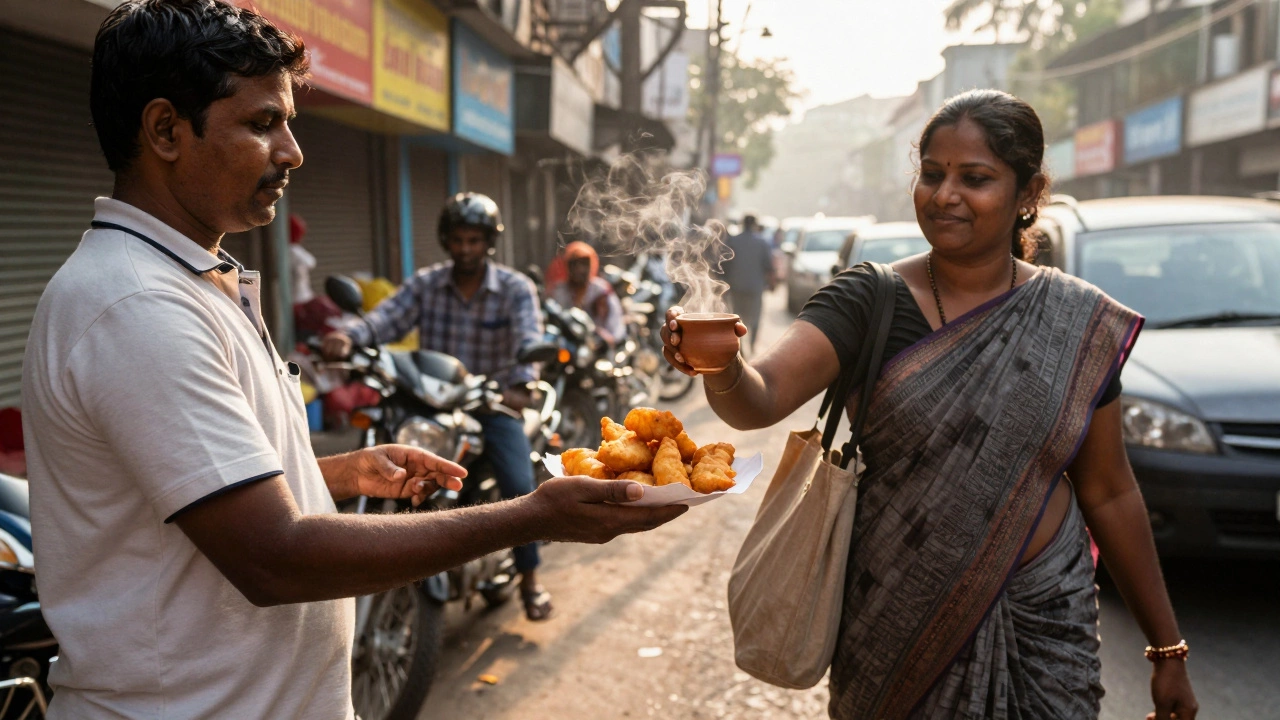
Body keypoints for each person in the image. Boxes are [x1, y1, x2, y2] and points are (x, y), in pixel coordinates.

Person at [21, 2, 684, 718]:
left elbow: (193, 495)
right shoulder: (136, 306)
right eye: (261, 123)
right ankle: (529, 567)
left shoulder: (190, 277)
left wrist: (328, 473)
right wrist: (527, 518)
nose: (292, 152)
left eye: (288, 122)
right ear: (165, 130)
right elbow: (274, 556)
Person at [662, 90, 1197, 720]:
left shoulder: (1077, 322)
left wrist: (1168, 649)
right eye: (933, 174)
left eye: (975, 179)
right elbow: (761, 400)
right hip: (896, 615)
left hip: (1046, 623)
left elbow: (1108, 491)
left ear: (1029, 195)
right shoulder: (870, 299)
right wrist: (718, 364)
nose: (945, 195)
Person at [322, 192, 557, 621]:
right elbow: (386, 317)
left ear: (489, 242)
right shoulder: (427, 283)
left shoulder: (514, 288)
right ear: (446, 241)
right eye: (458, 239)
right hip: (428, 404)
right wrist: (351, 336)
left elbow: (528, 338)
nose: (465, 248)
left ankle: (530, 579)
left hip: (490, 404)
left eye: (474, 240)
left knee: (520, 488)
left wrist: (522, 385)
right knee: (374, 457)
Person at [548, 241, 626, 345]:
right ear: (568, 266)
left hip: (597, 345)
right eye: (576, 264)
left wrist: (609, 338)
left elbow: (615, 319)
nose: (580, 269)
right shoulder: (560, 290)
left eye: (585, 264)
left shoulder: (600, 289)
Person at [720, 213, 774, 354]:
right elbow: (768, 266)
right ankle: (752, 345)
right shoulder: (762, 242)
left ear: (742, 224)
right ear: (755, 225)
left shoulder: (733, 241)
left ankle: (741, 348)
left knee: (738, 317)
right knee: (755, 318)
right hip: (755, 288)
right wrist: (771, 283)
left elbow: (725, 265)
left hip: (736, 287)